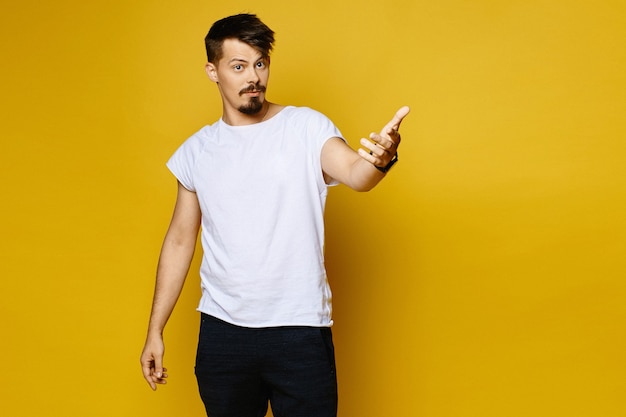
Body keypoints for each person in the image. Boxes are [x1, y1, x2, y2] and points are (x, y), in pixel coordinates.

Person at [140, 13, 409, 417]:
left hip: (299, 329)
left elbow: (358, 175)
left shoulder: (306, 127)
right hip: (223, 334)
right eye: (239, 66)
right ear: (213, 71)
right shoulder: (196, 152)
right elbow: (180, 240)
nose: (254, 77)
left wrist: (382, 158)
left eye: (260, 63)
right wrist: (154, 330)